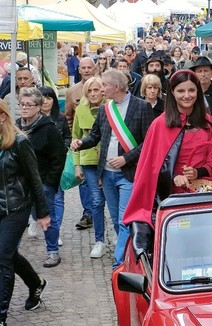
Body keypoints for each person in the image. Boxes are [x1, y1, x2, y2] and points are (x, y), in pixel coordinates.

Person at [123, 69, 212, 260]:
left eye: (191, 90)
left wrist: (197, 172)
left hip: (203, 200)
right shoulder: (160, 125)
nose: (187, 96)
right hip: (171, 203)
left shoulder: (208, 123)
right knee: (177, 254)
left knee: (206, 251)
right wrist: (173, 175)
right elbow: (150, 168)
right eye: (181, 91)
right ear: (172, 93)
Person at [70, 69, 153, 269]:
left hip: (129, 173)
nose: (102, 89)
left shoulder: (141, 107)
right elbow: (96, 136)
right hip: (107, 174)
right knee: (116, 219)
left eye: (105, 85)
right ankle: (127, 253)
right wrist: (81, 142)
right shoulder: (104, 109)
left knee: (125, 219)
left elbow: (148, 143)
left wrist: (126, 158)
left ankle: (119, 263)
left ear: (116, 87)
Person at [0, 100, 50, 325]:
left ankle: (1, 316)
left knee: (2, 258)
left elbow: (34, 179)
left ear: (3, 117)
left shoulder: (19, 142)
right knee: (9, 254)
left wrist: (42, 213)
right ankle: (36, 283)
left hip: (16, 208)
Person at [16, 87, 67, 267]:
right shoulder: (16, 127)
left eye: (29, 104)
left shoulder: (48, 128)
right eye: (22, 104)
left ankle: (53, 252)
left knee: (46, 216)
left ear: (38, 107)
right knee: (16, 218)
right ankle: (10, 251)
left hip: (42, 182)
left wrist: (49, 183)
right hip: (20, 184)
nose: (24, 107)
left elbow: (59, 156)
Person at [71, 77, 108, 258]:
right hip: (89, 161)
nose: (93, 94)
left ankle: (118, 234)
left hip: (110, 159)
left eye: (96, 90)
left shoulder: (111, 106)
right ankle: (100, 240)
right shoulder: (81, 109)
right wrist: (77, 165)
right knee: (96, 200)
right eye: (90, 91)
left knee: (113, 200)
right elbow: (75, 138)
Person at [32, 86, 71, 246]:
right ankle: (37, 219)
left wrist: (63, 147)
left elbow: (68, 137)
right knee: (38, 198)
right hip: (38, 167)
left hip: (56, 165)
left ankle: (56, 230)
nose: (47, 101)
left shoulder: (60, 118)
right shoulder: (34, 119)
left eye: (49, 98)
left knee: (58, 198)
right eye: (44, 97)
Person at [64, 57, 96, 230]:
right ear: (79, 70)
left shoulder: (101, 87)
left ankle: (97, 209)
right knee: (83, 179)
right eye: (83, 67)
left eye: (89, 67)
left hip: (101, 144)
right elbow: (68, 116)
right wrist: (73, 138)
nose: (86, 70)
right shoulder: (72, 91)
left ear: (94, 68)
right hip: (82, 143)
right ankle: (88, 212)